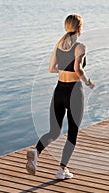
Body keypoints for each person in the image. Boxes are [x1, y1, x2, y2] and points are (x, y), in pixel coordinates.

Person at [26, 14, 95, 179]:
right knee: (72, 133)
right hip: (74, 92)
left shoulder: (59, 46)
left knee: (54, 131)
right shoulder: (80, 47)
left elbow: (51, 68)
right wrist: (88, 82)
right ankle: (61, 170)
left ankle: (36, 151)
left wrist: (64, 70)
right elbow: (78, 70)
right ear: (79, 28)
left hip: (59, 91)